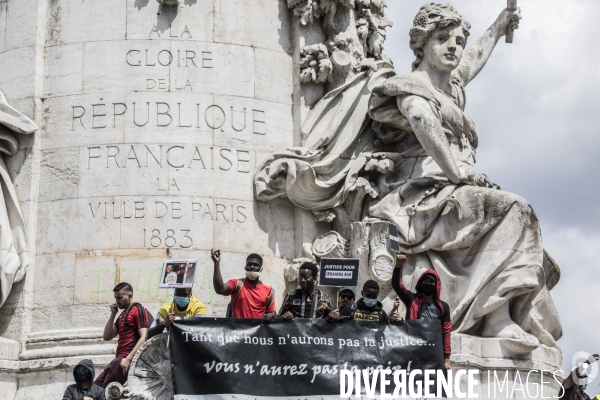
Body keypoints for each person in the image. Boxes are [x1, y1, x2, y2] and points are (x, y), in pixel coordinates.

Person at [393, 254, 451, 371]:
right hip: (413, 349)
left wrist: (447, 359)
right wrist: (398, 266)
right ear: (420, 283)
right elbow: (396, 285)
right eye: (425, 281)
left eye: (431, 282)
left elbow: (446, 332)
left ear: (436, 286)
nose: (428, 283)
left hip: (434, 352)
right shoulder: (411, 299)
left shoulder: (443, 307)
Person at [95, 282, 151, 388]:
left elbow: (144, 337)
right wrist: (113, 314)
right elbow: (107, 336)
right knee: (95, 388)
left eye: (120, 297)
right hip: (118, 360)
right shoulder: (122, 314)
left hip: (125, 359)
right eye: (115, 298)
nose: (117, 301)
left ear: (129, 296)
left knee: (105, 390)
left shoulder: (138, 309)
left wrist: (128, 359)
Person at [211, 250, 277, 323]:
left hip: (257, 333)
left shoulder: (269, 291)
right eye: (249, 264)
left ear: (261, 269)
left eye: (255, 265)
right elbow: (220, 290)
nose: (252, 267)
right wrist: (216, 263)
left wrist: (271, 315)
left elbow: (273, 313)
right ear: (245, 267)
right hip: (237, 331)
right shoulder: (236, 284)